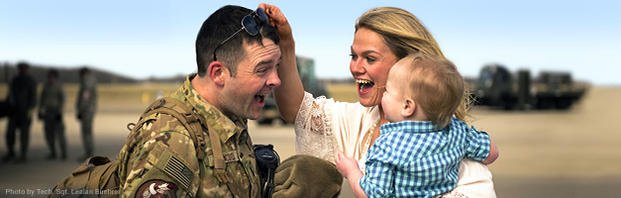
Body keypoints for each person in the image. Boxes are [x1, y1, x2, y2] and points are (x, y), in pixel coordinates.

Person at [261, 4, 498, 197]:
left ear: (408, 65)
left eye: (370, 59)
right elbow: (297, 109)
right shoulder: (362, 119)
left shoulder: (458, 152)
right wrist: (286, 44)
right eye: (353, 56)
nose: (355, 68)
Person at [115, 5, 342, 197]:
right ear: (218, 73)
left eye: (276, 66)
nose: (275, 80)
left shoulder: (228, 113)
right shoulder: (172, 139)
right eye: (262, 69)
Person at [336, 54, 500, 197]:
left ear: (407, 106)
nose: (383, 95)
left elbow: (372, 194)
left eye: (387, 91)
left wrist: (352, 172)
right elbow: (492, 153)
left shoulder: (387, 146)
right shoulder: (458, 130)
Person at [2, 62, 37, 163]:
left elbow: (33, 97)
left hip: (25, 112)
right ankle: (11, 152)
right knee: (10, 133)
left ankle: (23, 155)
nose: (21, 70)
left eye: (23, 69)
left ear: (26, 69)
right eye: (20, 69)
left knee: (24, 135)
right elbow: (10, 94)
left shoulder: (30, 81)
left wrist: (30, 110)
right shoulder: (15, 80)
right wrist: (7, 106)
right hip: (14, 112)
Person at [38, 69, 68, 160]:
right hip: (47, 112)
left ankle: (63, 153)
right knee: (48, 133)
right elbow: (41, 100)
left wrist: (60, 112)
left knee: (60, 134)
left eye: (52, 77)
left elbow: (63, 100)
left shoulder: (59, 86)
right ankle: (53, 152)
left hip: (56, 112)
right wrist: (40, 111)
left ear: (55, 77)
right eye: (49, 77)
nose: (50, 78)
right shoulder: (45, 86)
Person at [76, 67, 97, 161]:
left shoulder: (87, 83)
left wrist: (81, 110)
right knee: (88, 133)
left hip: (86, 111)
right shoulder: (90, 81)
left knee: (86, 133)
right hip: (89, 110)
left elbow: (85, 98)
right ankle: (89, 153)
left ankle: (89, 154)